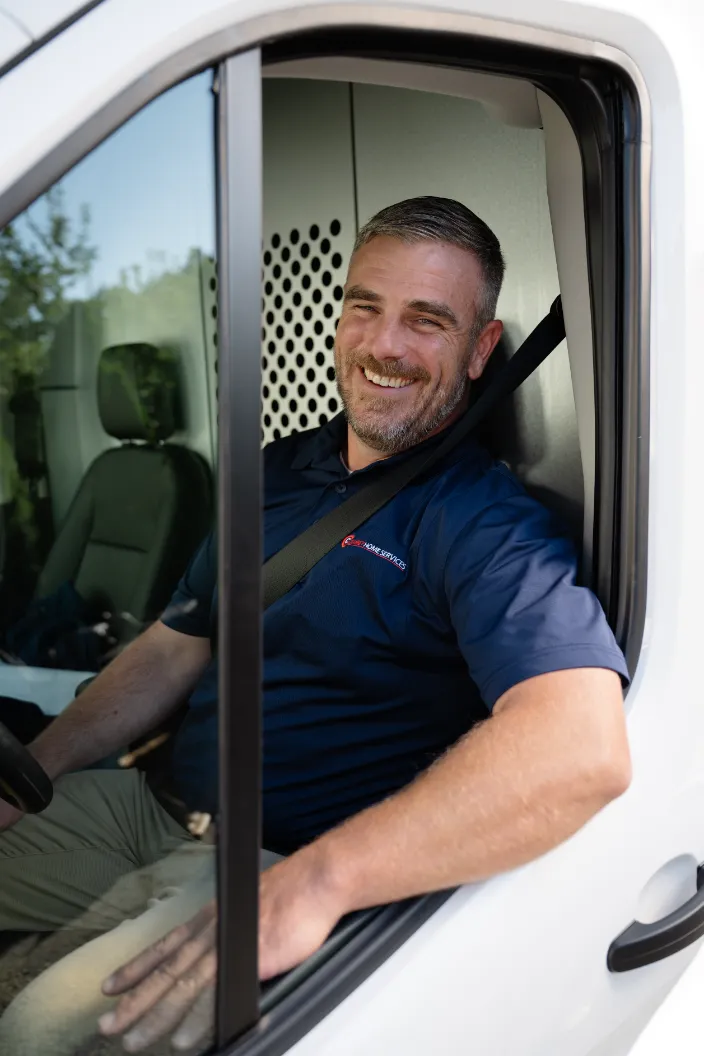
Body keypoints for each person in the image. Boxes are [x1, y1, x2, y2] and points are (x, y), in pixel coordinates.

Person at [0, 196, 631, 1054]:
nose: (384, 345)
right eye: (365, 306)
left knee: (36, 1030)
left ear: (482, 349)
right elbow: (170, 648)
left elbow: (580, 749)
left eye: (428, 321)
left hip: (274, 861)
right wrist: (31, 772)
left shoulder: (483, 523)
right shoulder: (276, 468)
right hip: (145, 805)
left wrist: (323, 881)